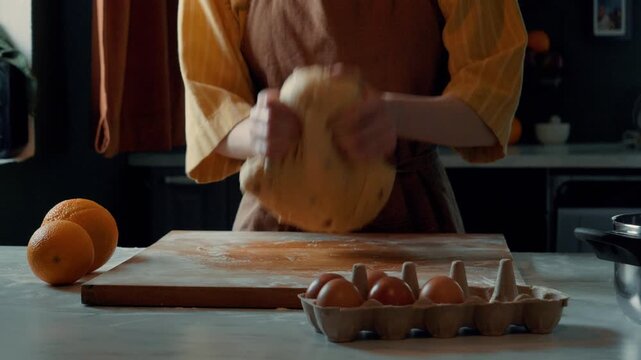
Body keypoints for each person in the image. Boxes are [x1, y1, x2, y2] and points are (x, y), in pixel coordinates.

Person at [178, 0, 528, 233]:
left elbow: (489, 105)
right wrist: (255, 131)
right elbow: (210, 106)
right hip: (275, 228)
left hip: (411, 226)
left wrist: (396, 115)